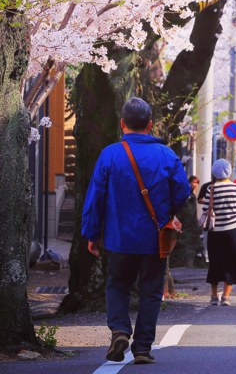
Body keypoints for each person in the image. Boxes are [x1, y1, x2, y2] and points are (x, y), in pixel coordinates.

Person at [81, 97, 190, 365]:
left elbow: (96, 197)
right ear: (150, 125)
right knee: (151, 290)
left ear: (122, 124)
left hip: (119, 238)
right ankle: (142, 348)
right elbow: (183, 191)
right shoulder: (166, 155)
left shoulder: (110, 154)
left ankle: (119, 330)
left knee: (117, 284)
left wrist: (92, 233)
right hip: (156, 238)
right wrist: (168, 214)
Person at [201, 158, 236, 306]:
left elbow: (205, 210)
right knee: (232, 262)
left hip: (215, 232)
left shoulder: (211, 189)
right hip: (233, 231)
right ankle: (226, 296)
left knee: (215, 262)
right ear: (229, 171)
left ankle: (214, 296)